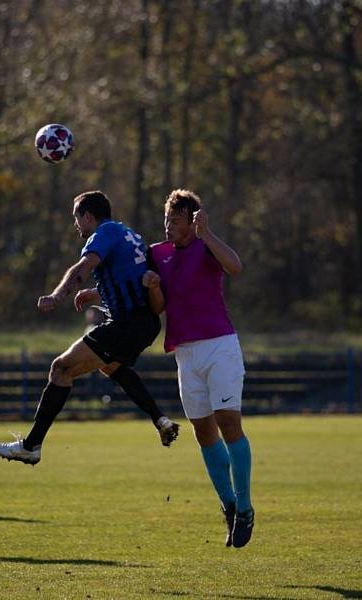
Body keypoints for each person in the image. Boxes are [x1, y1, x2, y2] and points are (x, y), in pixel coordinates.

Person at [0, 190, 180, 466]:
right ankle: (160, 420)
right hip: (146, 324)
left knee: (60, 368)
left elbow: (82, 267)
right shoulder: (130, 235)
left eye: (76, 218)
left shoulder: (102, 234)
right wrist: (96, 293)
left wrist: (56, 295)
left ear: (88, 216)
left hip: (125, 324)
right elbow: (130, 278)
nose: (76, 225)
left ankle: (30, 446)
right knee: (112, 366)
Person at [143, 189, 254, 548]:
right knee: (204, 432)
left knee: (228, 421)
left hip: (220, 345)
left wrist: (207, 233)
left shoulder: (207, 245)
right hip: (185, 354)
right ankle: (229, 505)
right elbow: (157, 308)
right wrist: (152, 287)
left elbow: (235, 266)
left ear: (192, 221)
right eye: (166, 220)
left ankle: (247, 508)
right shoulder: (157, 255)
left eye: (175, 220)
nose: (168, 226)